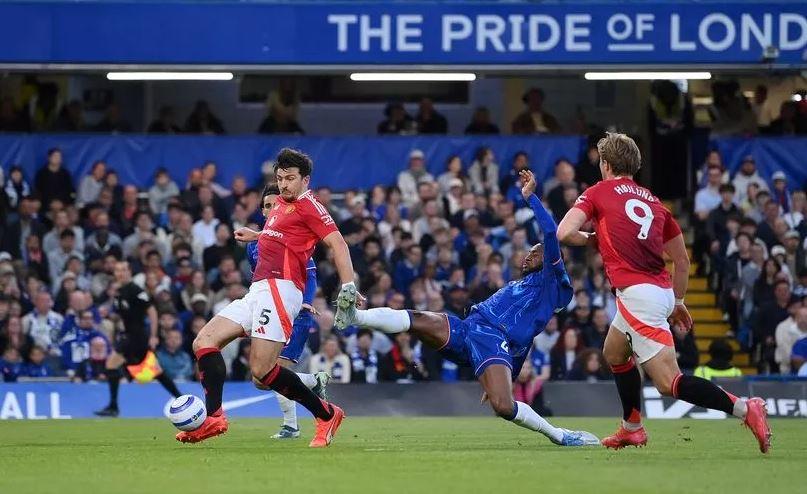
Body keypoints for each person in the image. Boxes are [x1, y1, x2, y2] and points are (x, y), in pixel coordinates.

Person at [341, 170, 598, 447]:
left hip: (492, 339)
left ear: (550, 259)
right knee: (417, 318)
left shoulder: (551, 281)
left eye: (535, 253)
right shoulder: (524, 287)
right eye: (529, 252)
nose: (528, 256)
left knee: (503, 406)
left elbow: (550, 233)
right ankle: (354, 316)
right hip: (470, 329)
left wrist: (530, 197)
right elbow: (523, 342)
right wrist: (503, 374)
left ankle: (560, 435)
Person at [557, 131, 771, 453]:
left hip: (638, 295)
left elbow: (564, 232)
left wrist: (593, 237)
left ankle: (745, 408)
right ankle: (632, 428)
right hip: (659, 290)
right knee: (614, 353)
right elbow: (682, 261)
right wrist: (679, 301)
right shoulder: (656, 203)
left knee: (669, 382)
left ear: (606, 164)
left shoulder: (598, 192)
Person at [184, 148, 355, 448]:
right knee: (204, 342)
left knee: (262, 371)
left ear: (305, 180)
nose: (284, 184)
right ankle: (214, 418)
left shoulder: (310, 206)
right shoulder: (280, 205)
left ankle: (327, 414)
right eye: (280, 178)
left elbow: (338, 244)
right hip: (258, 289)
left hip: (281, 288)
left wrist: (348, 285)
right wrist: (257, 235)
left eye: (290, 178)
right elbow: (283, 236)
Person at [245, 184, 330, 440]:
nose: (272, 209)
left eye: (276, 205)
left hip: (296, 312)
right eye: (267, 206)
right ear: (262, 211)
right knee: (262, 377)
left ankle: (291, 425)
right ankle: (313, 381)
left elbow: (310, 275)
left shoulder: (292, 239)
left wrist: (305, 301)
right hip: (269, 308)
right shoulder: (253, 244)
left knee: (272, 370)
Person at [94, 262, 183, 416]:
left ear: (129, 272)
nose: (120, 273)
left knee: (112, 365)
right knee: (155, 371)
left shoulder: (135, 290)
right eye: (117, 270)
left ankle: (114, 405)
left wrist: (154, 336)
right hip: (129, 335)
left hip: (137, 336)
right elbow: (124, 314)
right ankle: (181, 398)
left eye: (123, 270)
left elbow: (152, 311)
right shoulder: (119, 292)